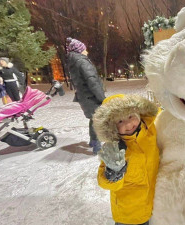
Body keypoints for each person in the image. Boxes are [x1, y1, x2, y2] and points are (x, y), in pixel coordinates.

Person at [93, 94, 160, 225]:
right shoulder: (116, 149)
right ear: (111, 127)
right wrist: (112, 173)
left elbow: (164, 115)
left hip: (153, 204)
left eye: (130, 116)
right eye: (120, 122)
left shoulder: (150, 129)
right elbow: (103, 181)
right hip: (129, 213)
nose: (129, 124)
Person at [66, 37, 105, 154]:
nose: (86, 51)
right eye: (84, 50)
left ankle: (93, 141)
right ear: (79, 50)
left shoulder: (74, 62)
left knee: (93, 118)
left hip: (84, 96)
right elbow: (92, 81)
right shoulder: (82, 62)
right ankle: (97, 147)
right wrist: (102, 98)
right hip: (91, 97)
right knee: (98, 119)